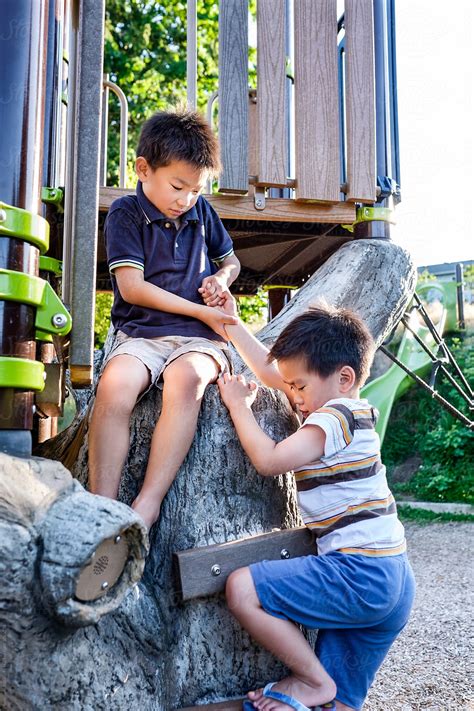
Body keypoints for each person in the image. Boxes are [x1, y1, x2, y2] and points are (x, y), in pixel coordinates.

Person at [215, 302, 416, 711]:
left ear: (344, 378)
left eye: (300, 388)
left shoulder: (334, 415)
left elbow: (270, 461)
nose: (294, 398)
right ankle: (318, 691)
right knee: (337, 704)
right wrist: (233, 324)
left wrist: (239, 406)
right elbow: (275, 376)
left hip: (359, 574)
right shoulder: (349, 409)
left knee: (241, 589)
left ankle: (308, 678)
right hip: (394, 576)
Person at [88, 109, 240, 529]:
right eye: (178, 186)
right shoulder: (125, 214)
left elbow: (233, 262)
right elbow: (132, 288)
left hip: (198, 339)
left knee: (186, 380)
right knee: (115, 385)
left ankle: (148, 502)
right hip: (140, 334)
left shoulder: (201, 212)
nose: (186, 199)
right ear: (143, 169)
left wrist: (220, 278)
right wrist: (199, 308)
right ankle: (101, 508)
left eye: (196, 190)